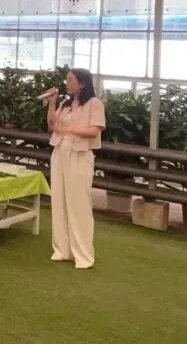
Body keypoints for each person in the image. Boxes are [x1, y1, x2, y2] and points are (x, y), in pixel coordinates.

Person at [46, 68, 106, 270]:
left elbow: (94, 131)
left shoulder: (94, 104)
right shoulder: (65, 103)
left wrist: (66, 129)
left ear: (82, 83)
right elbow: (51, 125)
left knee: (79, 204)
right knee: (59, 200)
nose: (67, 82)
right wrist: (52, 103)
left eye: (70, 79)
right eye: (67, 79)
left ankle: (83, 255)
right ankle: (62, 250)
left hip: (80, 155)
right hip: (60, 153)